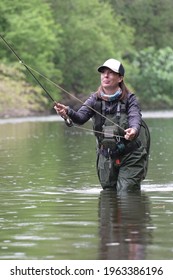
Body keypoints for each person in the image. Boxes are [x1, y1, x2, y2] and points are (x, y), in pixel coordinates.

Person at [54, 58, 150, 191]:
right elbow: (80, 118)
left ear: (120, 78)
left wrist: (133, 130)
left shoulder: (130, 99)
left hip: (131, 155)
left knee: (126, 192)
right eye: (103, 72)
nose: (105, 75)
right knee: (109, 195)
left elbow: (135, 117)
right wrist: (67, 112)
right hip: (106, 156)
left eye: (110, 73)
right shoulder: (94, 99)